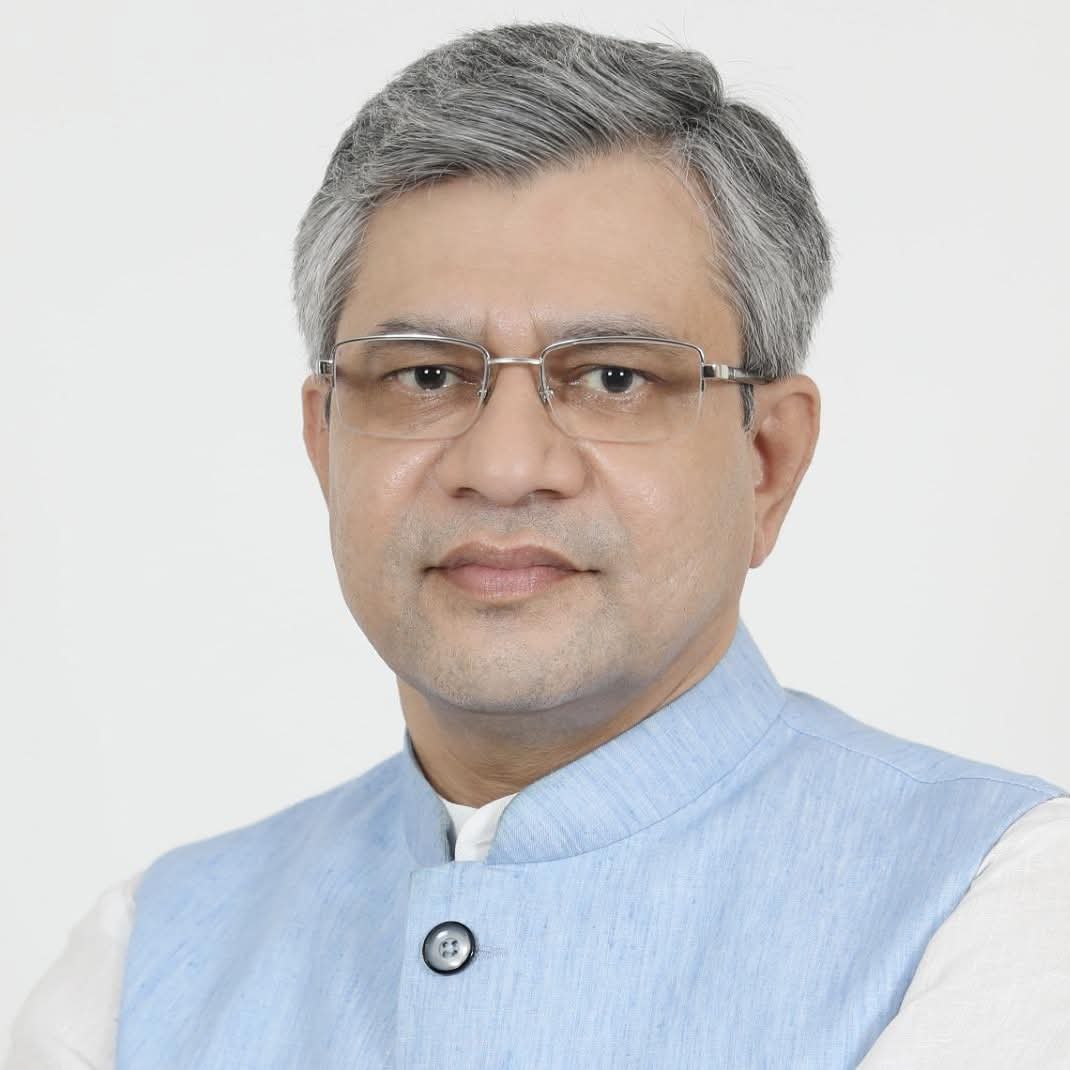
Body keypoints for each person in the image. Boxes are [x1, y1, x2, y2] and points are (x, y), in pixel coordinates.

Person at [6, 21, 1069, 1070]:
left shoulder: (1001, 906)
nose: (506, 465)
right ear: (325, 445)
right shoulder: (142, 966)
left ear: (766, 461)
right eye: (424, 375)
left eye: (614, 376)